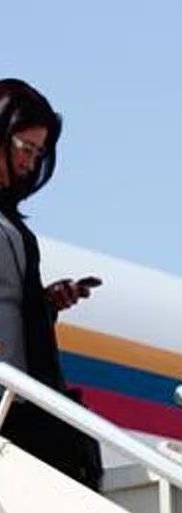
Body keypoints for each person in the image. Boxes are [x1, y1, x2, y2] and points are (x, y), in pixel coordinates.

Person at [0, 79, 101, 489]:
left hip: (24, 399)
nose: (30, 163)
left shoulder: (10, 223)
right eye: (25, 148)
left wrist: (46, 303)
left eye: (38, 153)